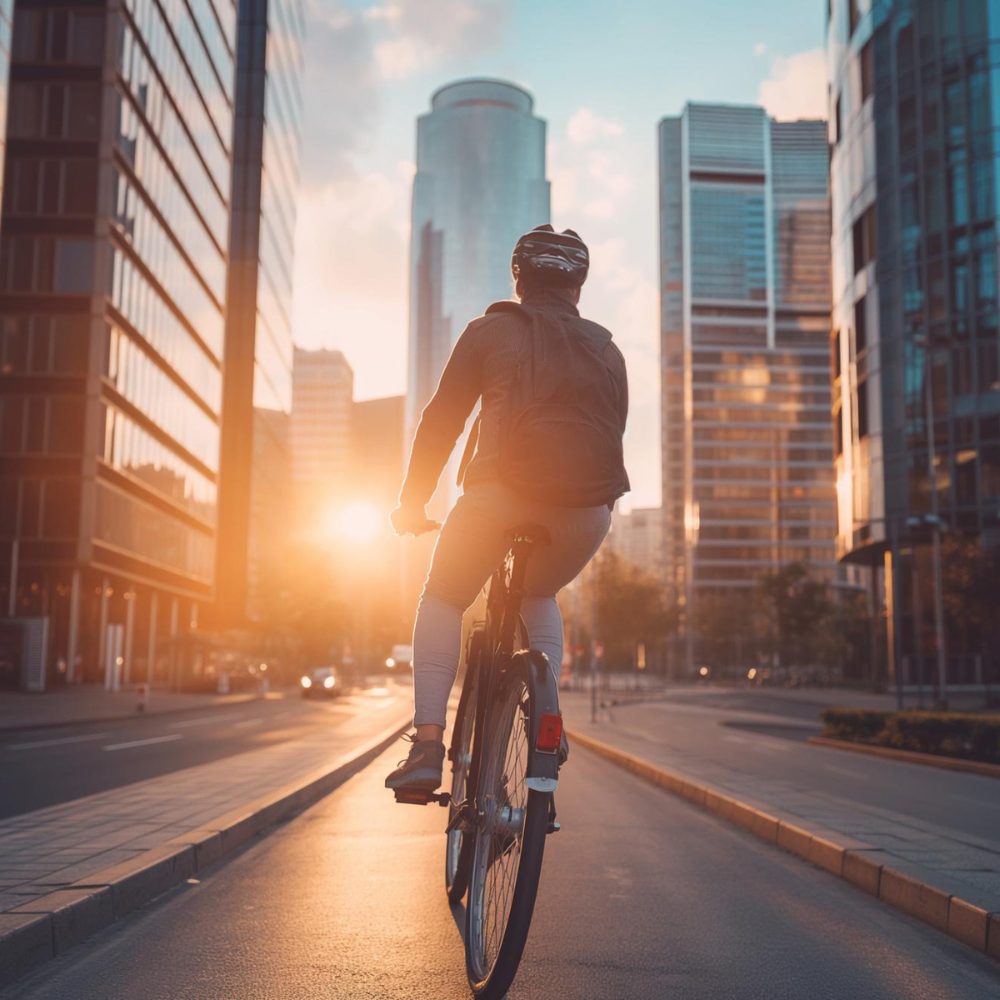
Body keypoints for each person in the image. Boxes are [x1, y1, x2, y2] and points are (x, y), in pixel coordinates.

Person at [385, 225, 629, 794]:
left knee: (444, 597)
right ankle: (548, 718)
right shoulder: (607, 349)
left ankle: (426, 744)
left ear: (519, 279)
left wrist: (411, 502)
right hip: (585, 512)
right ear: (578, 288)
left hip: (498, 496)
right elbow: (613, 435)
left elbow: (442, 422)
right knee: (540, 594)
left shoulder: (489, 332)